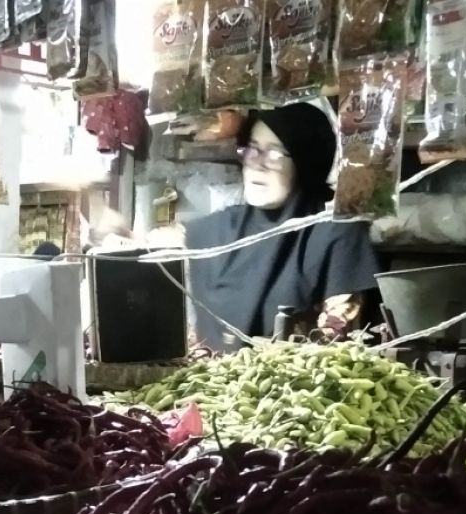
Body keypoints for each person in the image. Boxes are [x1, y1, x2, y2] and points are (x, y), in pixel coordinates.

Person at [156, 103, 381, 351]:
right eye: (252, 149)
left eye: (275, 154)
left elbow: (336, 345)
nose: (257, 164)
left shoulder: (335, 236)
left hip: (291, 384)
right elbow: (163, 244)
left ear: (306, 163)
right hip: (205, 385)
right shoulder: (222, 229)